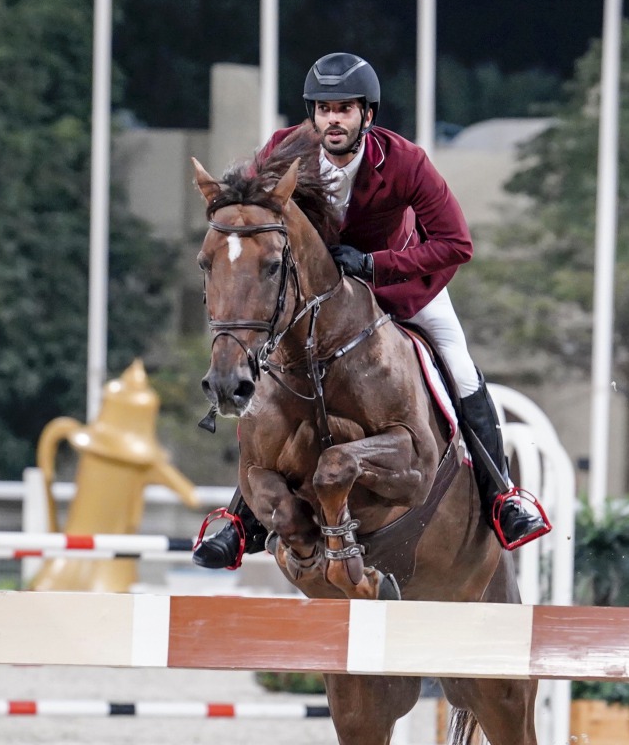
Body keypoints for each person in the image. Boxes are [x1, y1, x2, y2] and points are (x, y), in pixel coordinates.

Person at [193, 52, 550, 570]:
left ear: (367, 115)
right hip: (318, 298)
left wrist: (375, 264)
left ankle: (502, 494)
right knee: (266, 372)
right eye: (323, 109)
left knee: (457, 362)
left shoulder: (404, 161)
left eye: (344, 109)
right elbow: (249, 212)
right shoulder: (285, 150)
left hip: (401, 284)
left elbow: (455, 244)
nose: (331, 119)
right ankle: (240, 518)